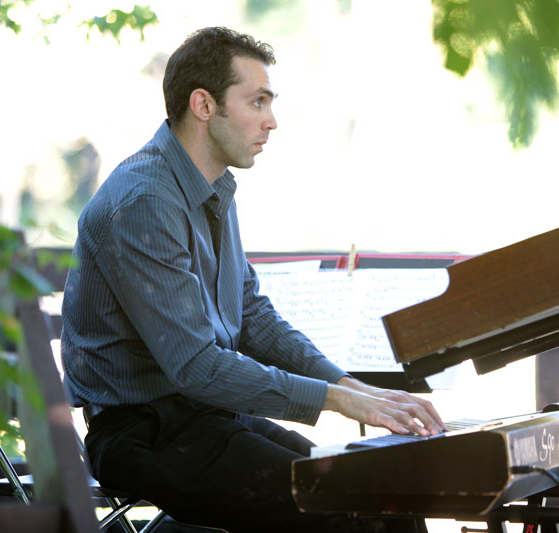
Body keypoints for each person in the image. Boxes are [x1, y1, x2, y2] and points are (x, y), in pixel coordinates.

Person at [61, 26, 445, 533]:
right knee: (336, 507)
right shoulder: (145, 201)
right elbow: (195, 366)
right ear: (204, 105)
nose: (272, 120)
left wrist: (349, 385)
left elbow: (251, 316)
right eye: (257, 101)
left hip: (203, 417)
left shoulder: (213, 185)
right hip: (143, 432)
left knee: (372, 491)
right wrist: (339, 400)